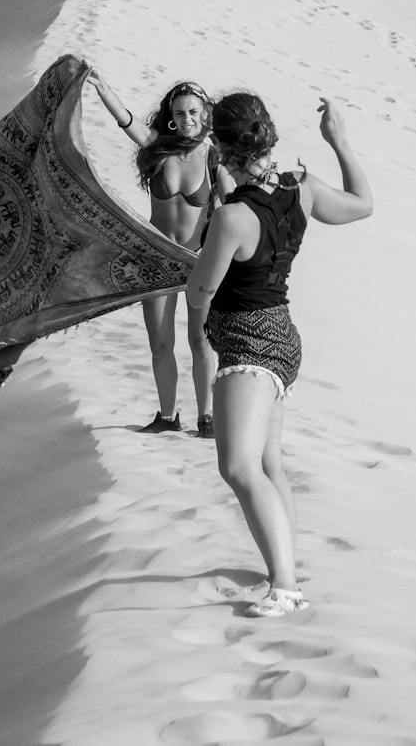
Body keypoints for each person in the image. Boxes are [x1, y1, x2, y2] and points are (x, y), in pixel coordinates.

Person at [186, 92, 374, 617]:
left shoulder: (232, 220)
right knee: (269, 463)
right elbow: (362, 205)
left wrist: (198, 301)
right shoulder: (301, 189)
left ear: (220, 146)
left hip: (248, 343)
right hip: (283, 338)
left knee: (239, 467)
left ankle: (286, 586)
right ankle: (284, 567)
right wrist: (339, 142)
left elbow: (200, 291)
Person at [85, 65, 235, 437]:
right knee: (160, 343)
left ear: (206, 115)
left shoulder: (215, 159)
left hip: (199, 259)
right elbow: (127, 121)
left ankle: (207, 418)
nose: (187, 119)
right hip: (155, 258)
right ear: (171, 118)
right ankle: (167, 416)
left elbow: (235, 202)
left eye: (194, 112)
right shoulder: (157, 148)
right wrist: (103, 89)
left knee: (201, 341)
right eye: (180, 113)